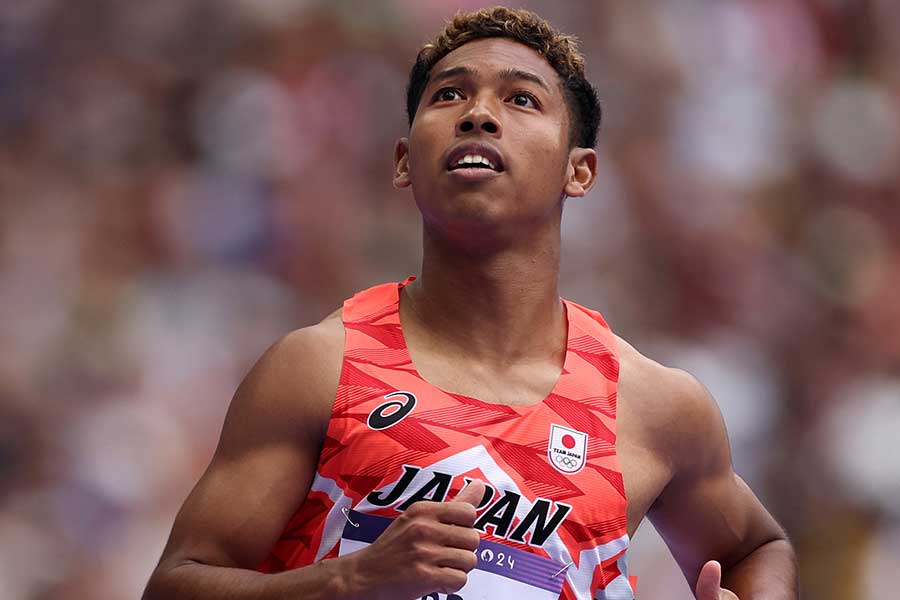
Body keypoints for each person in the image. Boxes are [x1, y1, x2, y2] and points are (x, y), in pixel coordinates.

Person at [142, 7, 798, 600]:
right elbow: (175, 586)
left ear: (580, 171)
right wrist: (350, 580)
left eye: (521, 99)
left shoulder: (650, 406)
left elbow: (757, 548)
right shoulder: (319, 369)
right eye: (449, 94)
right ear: (405, 161)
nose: (478, 114)